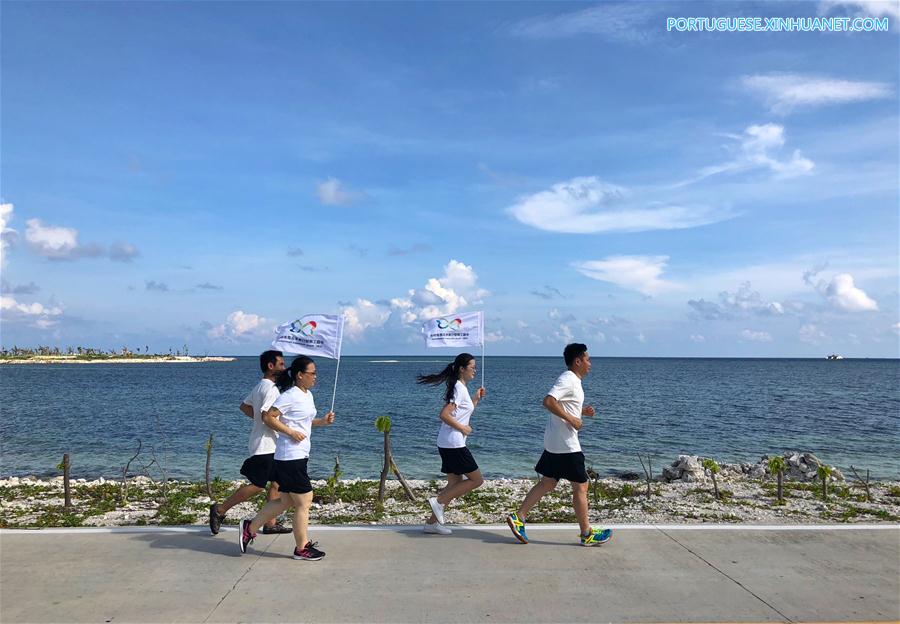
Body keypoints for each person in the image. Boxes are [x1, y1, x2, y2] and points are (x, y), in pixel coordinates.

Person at [505, 343, 612, 547]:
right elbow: (548, 401)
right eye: (588, 359)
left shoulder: (573, 381)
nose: (590, 363)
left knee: (548, 482)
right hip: (566, 444)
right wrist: (573, 420)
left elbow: (562, 405)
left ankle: (519, 517)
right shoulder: (568, 379)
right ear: (578, 361)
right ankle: (586, 533)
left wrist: (580, 413)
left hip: (554, 441)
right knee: (581, 486)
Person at [239, 356, 335, 561]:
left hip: (298, 455)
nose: (315, 377)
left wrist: (322, 422)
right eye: (312, 373)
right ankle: (302, 548)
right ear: (300, 375)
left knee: (286, 500)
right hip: (289, 456)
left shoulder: (306, 395)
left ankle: (250, 527)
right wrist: (290, 433)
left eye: (316, 373)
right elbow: (268, 417)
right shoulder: (290, 395)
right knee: (305, 499)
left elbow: (305, 423)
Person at [209, 350, 291, 535]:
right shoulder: (271, 390)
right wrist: (288, 431)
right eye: (281, 364)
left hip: (266, 443)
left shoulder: (260, 386)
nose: (284, 368)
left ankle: (270, 524)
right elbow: (266, 416)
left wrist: (258, 421)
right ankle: (220, 510)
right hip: (265, 445)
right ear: (271, 366)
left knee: (277, 484)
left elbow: (244, 407)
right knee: (258, 485)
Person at [416, 353, 486, 535]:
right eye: (472, 368)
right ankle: (438, 501)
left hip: (448, 442)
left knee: (454, 483)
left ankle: (431, 524)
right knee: (477, 480)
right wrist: (463, 428)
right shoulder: (458, 388)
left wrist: (476, 399)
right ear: (462, 369)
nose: (475, 371)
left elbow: (462, 411)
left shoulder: (461, 388)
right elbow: (444, 415)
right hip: (454, 443)